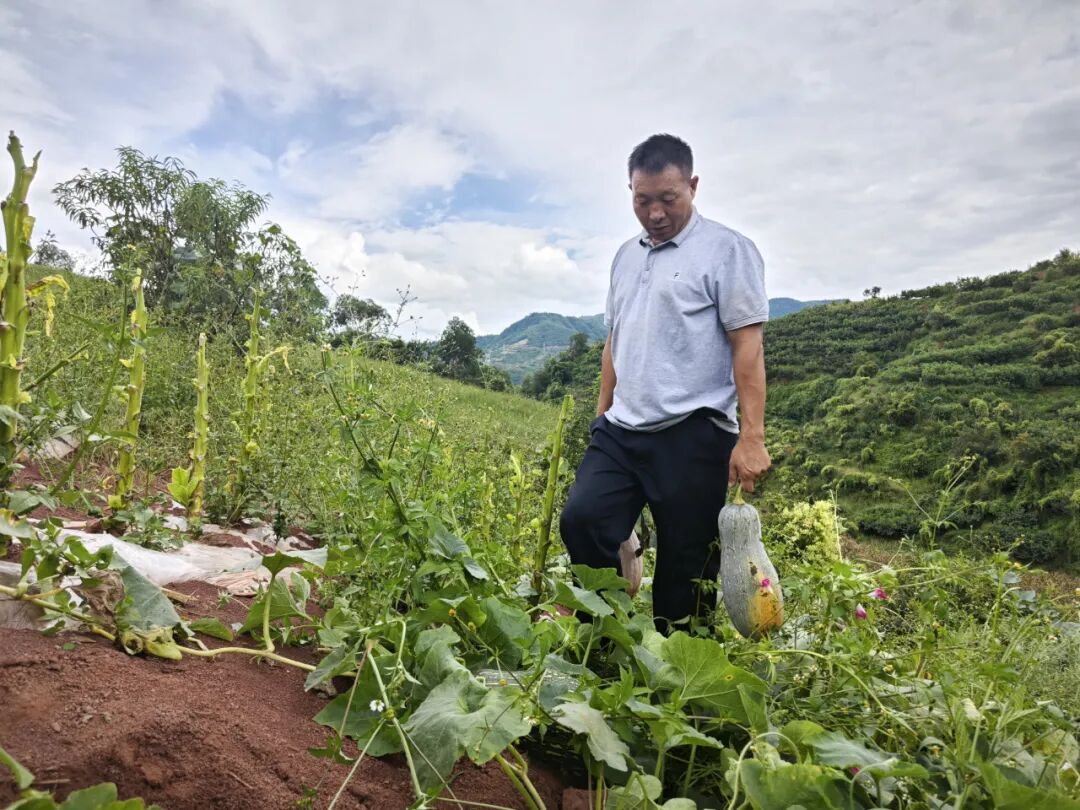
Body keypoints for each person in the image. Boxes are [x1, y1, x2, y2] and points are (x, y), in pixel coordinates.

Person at [559, 133, 771, 634]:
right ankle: (606, 637)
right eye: (642, 199)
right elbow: (616, 338)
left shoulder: (727, 251)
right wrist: (601, 412)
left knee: (687, 572)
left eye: (667, 199)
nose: (654, 212)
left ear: (693, 186)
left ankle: (677, 682)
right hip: (622, 428)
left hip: (693, 431)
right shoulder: (624, 257)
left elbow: (748, 346)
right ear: (630, 191)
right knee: (582, 521)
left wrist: (751, 436)